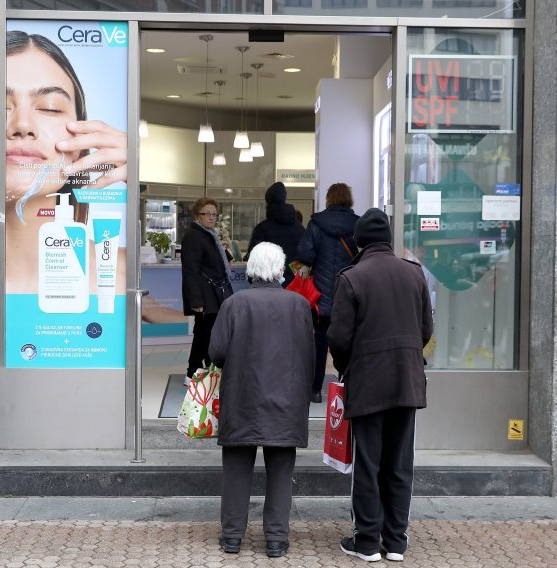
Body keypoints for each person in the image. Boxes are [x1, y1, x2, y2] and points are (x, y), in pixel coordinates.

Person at [327, 208, 433, 563]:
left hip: (369, 382)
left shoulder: (352, 277)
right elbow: (425, 331)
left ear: (359, 241)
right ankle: (396, 542)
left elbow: (339, 338)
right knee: (400, 462)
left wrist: (347, 369)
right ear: (388, 240)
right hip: (407, 381)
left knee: (368, 462)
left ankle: (368, 541)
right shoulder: (414, 274)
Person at [208, 242, 314, 558]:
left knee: (237, 469)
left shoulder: (234, 304)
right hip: (286, 399)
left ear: (251, 269)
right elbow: (309, 355)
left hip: (242, 398)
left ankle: (232, 538)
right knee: (281, 472)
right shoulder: (299, 305)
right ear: (281, 270)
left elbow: (215, 352)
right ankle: (277, 540)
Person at [5, 31, 127, 295]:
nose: (22, 125)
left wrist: (140, 175)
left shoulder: (121, 275)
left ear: (82, 145)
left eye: (49, 108)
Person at [295, 182, 359, 403]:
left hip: (321, 296)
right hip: (348, 295)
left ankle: (315, 389)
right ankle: (346, 386)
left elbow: (305, 252)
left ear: (329, 199)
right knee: (347, 342)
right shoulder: (357, 224)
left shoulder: (316, 223)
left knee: (320, 343)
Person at [180, 198, 232, 385]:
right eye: (206, 213)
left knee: (207, 333)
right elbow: (191, 270)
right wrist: (196, 300)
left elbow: (214, 262)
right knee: (204, 334)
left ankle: (206, 368)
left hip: (211, 294)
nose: (211, 217)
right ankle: (192, 370)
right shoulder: (194, 236)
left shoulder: (209, 235)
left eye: (213, 214)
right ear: (197, 215)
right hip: (204, 295)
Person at [245, 181, 304, 285]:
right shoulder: (300, 228)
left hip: (269, 284)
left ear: (268, 202)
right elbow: (303, 256)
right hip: (295, 285)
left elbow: (253, 259)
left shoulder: (262, 228)